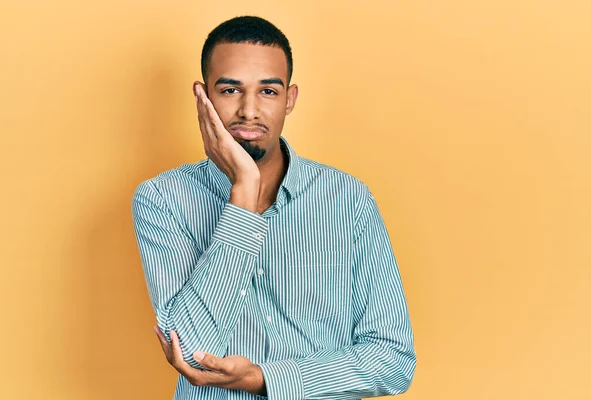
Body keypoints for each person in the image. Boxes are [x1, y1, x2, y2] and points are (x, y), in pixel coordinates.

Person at [132, 15, 416, 400]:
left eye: (268, 91)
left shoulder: (347, 200)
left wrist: (265, 378)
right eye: (230, 90)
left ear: (290, 99)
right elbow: (191, 355)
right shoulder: (162, 199)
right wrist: (244, 195)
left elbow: (393, 360)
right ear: (203, 97)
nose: (249, 110)